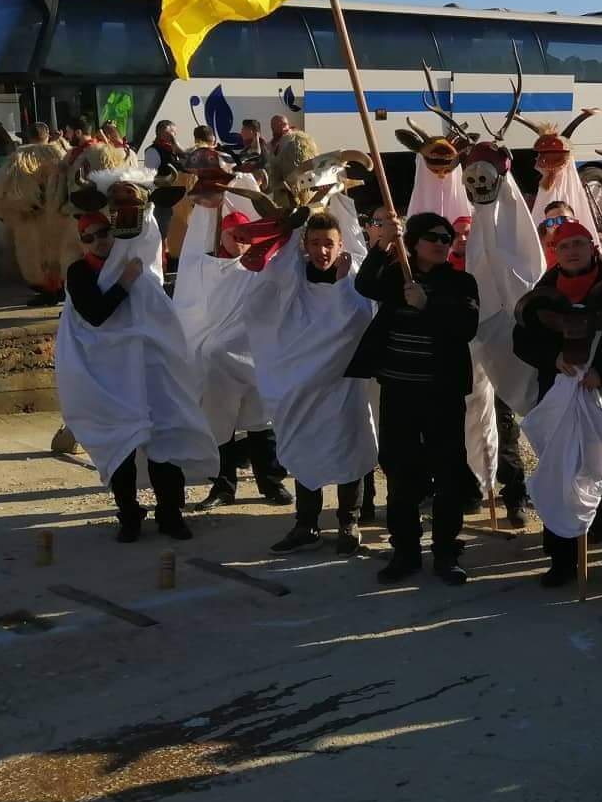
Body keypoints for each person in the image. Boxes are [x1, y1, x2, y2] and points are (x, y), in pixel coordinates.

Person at [55, 208, 218, 541]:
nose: (100, 241)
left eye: (105, 233)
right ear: (83, 242)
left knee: (166, 440)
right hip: (108, 377)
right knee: (122, 448)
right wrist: (124, 284)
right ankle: (128, 514)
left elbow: (162, 322)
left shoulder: (141, 272)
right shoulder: (79, 272)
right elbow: (95, 316)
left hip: (149, 372)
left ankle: (170, 514)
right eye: (91, 236)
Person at [349, 211, 480, 585]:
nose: (442, 243)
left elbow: (466, 326)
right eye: (433, 237)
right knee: (401, 473)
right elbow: (365, 285)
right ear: (415, 242)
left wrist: (428, 305)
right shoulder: (397, 275)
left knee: (448, 473)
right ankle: (405, 552)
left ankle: (445, 551)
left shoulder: (461, 282)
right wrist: (384, 242)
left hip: (442, 393)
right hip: (400, 391)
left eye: (447, 238)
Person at [251, 200, 380, 556]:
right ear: (305, 246)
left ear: (340, 245)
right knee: (306, 448)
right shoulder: (293, 282)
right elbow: (271, 310)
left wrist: (340, 287)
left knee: (347, 448)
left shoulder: (351, 280)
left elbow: (355, 327)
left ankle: (347, 523)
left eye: (329, 243)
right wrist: (293, 225)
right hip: (300, 384)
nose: (322, 251)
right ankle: (305, 524)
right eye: (314, 243)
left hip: (341, 385)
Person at [513, 220, 602, 586]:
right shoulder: (544, 291)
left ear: (592, 247)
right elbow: (522, 341)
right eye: (565, 246)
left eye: (579, 244)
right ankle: (562, 560)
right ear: (556, 252)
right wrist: (554, 359)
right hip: (559, 394)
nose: (573, 251)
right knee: (562, 472)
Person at [175, 207, 292, 510]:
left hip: (254, 353)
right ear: (223, 235)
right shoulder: (207, 268)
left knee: (261, 422)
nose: (239, 243)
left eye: (244, 237)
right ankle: (222, 487)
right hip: (216, 362)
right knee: (219, 425)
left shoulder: (264, 266)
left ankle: (271, 482)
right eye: (233, 236)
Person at [448, 215, 529, 525]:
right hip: (464, 359)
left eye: (469, 233)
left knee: (504, 426)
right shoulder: (448, 272)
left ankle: (514, 496)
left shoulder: (492, 267)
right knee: (469, 425)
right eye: (457, 234)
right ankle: (471, 489)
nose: (463, 239)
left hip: (498, 356)